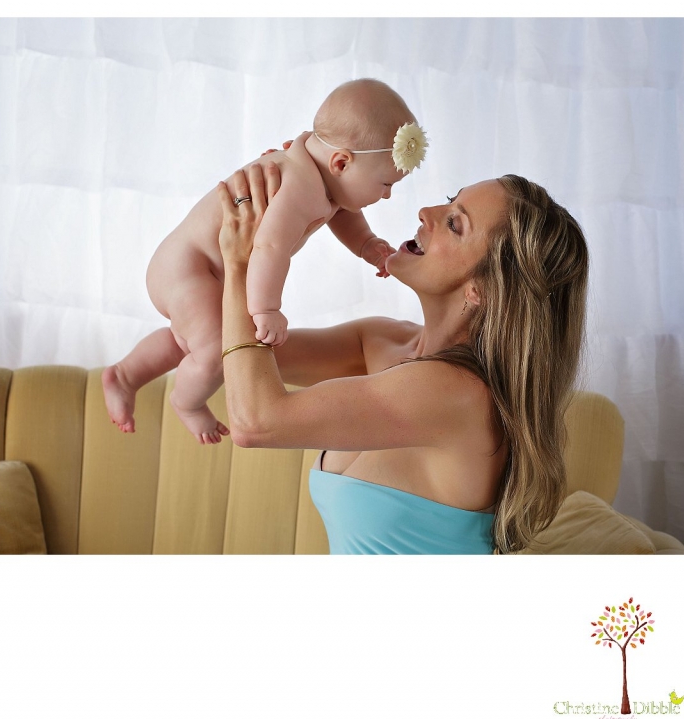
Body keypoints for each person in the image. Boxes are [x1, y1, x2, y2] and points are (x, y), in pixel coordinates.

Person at [217, 149, 589, 555]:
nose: (426, 212)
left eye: (454, 223)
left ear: (480, 289)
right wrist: (292, 211)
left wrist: (240, 265)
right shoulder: (385, 341)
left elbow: (256, 421)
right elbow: (230, 353)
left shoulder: (454, 391)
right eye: (449, 200)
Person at [102, 78, 428, 444]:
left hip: (200, 267)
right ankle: (187, 403)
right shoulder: (300, 187)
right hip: (189, 268)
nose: (386, 196)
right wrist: (265, 309)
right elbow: (270, 248)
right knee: (214, 348)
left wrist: (367, 244)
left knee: (191, 339)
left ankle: (125, 376)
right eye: (386, 184)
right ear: (341, 162)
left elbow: (342, 210)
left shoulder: (321, 171)